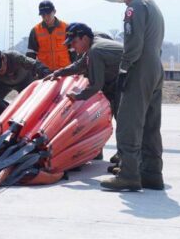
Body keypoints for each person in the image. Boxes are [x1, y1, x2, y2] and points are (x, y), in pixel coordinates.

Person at [100, 0, 165, 192]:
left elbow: (133, 43)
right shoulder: (154, 6)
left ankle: (128, 175)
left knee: (128, 122)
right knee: (150, 125)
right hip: (155, 67)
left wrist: (124, 69)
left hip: (139, 68)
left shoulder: (134, 7)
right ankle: (152, 173)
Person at [46, 22, 123, 162]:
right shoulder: (95, 41)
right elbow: (80, 65)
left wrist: (79, 96)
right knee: (103, 117)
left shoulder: (95, 51)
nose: (72, 47)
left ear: (85, 39)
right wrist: (59, 73)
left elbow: (96, 85)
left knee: (123, 121)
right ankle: (98, 150)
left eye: (74, 42)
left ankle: (126, 158)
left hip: (127, 82)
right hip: (115, 83)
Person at [0, 49, 51, 116]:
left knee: (32, 103)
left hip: (25, 80)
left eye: (0, 67)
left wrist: (47, 73)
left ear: (4, 59)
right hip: (4, 84)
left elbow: (34, 64)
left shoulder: (15, 57)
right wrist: (1, 105)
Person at [27, 0, 72, 71]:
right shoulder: (35, 30)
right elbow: (31, 54)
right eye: (43, 15)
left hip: (64, 71)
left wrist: (73, 70)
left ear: (54, 12)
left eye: (48, 14)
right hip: (44, 73)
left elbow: (73, 50)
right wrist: (33, 71)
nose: (46, 17)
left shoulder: (66, 28)